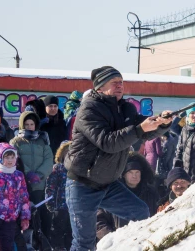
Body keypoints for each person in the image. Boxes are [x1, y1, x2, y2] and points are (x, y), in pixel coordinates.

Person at [64, 66, 172, 251]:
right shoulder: (89, 110)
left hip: (108, 183)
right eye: (115, 83)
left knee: (140, 211)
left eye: (121, 82)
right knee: (84, 244)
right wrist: (139, 129)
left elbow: (144, 129)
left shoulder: (126, 108)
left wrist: (162, 123)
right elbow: (107, 142)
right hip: (83, 184)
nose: (120, 86)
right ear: (100, 87)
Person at [9, 109, 53, 239]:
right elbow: (15, 160)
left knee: (41, 216)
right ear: (22, 125)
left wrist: (39, 174)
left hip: (40, 185)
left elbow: (49, 159)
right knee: (24, 216)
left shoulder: (42, 141)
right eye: (26, 124)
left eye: (31, 124)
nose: (29, 127)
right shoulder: (15, 141)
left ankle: (41, 242)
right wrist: (27, 174)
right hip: (22, 186)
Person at [96, 153, 160, 242]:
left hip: (145, 240)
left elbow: (157, 216)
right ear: (123, 174)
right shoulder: (111, 193)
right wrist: (111, 239)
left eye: (137, 172)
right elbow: (99, 220)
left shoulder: (151, 194)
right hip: (117, 242)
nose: (134, 176)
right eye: (130, 172)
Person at [45, 141, 73, 251]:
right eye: (67, 152)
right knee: (58, 233)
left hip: (73, 207)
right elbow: (50, 186)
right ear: (61, 154)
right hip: (59, 206)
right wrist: (49, 203)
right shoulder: (57, 168)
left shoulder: (77, 170)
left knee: (71, 233)